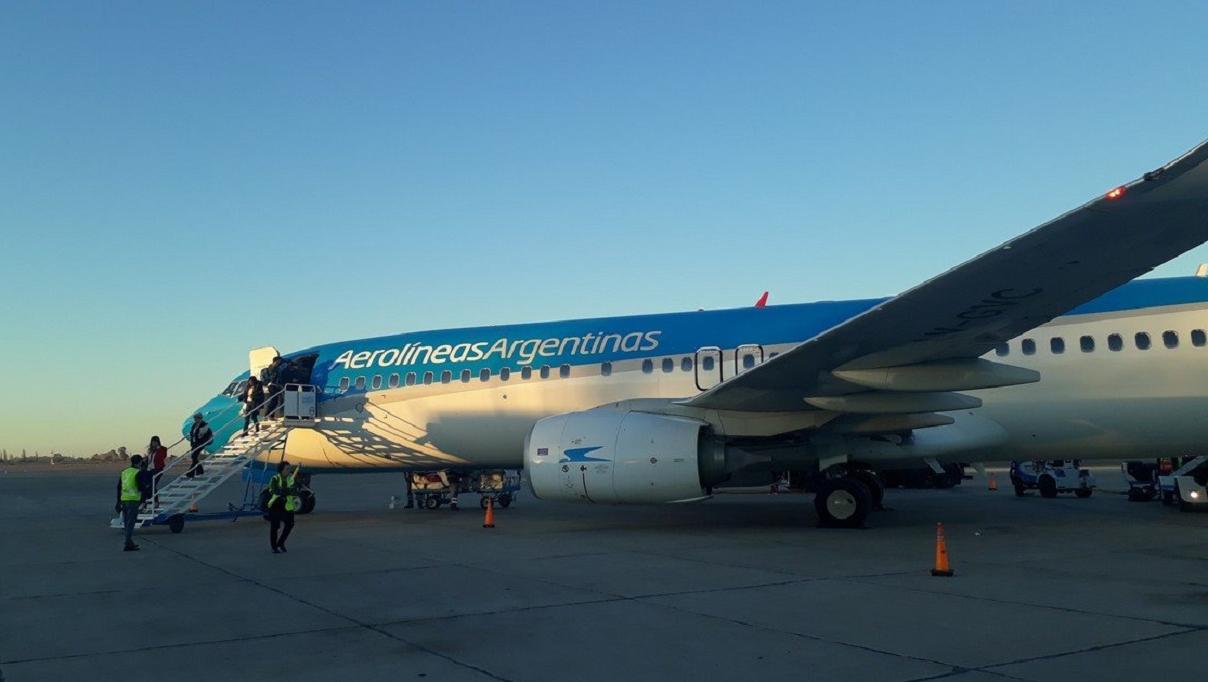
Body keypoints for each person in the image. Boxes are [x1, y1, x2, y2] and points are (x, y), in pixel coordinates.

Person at [115, 454, 152, 552]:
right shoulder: (138, 473)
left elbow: (119, 487)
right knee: (131, 523)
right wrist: (148, 490)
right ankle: (127, 543)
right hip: (133, 500)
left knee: (127, 522)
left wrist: (118, 501)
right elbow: (140, 487)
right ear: (139, 462)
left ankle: (129, 542)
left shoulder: (124, 472)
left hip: (124, 499)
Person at [265, 460, 300, 553]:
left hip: (287, 506)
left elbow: (295, 491)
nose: (289, 470)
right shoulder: (275, 478)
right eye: (287, 469)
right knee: (275, 527)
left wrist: (285, 491)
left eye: (290, 469)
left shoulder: (291, 479)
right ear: (282, 470)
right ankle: (274, 547)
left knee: (290, 525)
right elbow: (273, 490)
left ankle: (280, 543)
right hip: (276, 505)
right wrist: (287, 491)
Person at [187, 413, 213, 478]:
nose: (195, 419)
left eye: (196, 418)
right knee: (194, 457)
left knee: (194, 456)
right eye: (194, 418)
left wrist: (198, 434)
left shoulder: (204, 425)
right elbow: (192, 433)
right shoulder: (194, 425)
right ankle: (200, 471)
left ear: (200, 418)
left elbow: (201, 433)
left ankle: (190, 473)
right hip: (195, 443)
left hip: (201, 443)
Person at [147, 436, 168, 505]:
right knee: (149, 485)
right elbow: (149, 459)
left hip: (158, 469)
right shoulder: (150, 450)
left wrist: (159, 449)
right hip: (150, 469)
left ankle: (156, 501)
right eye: (153, 442)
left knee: (152, 485)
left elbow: (162, 456)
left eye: (156, 442)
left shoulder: (162, 449)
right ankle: (150, 499)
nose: (154, 443)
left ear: (158, 442)